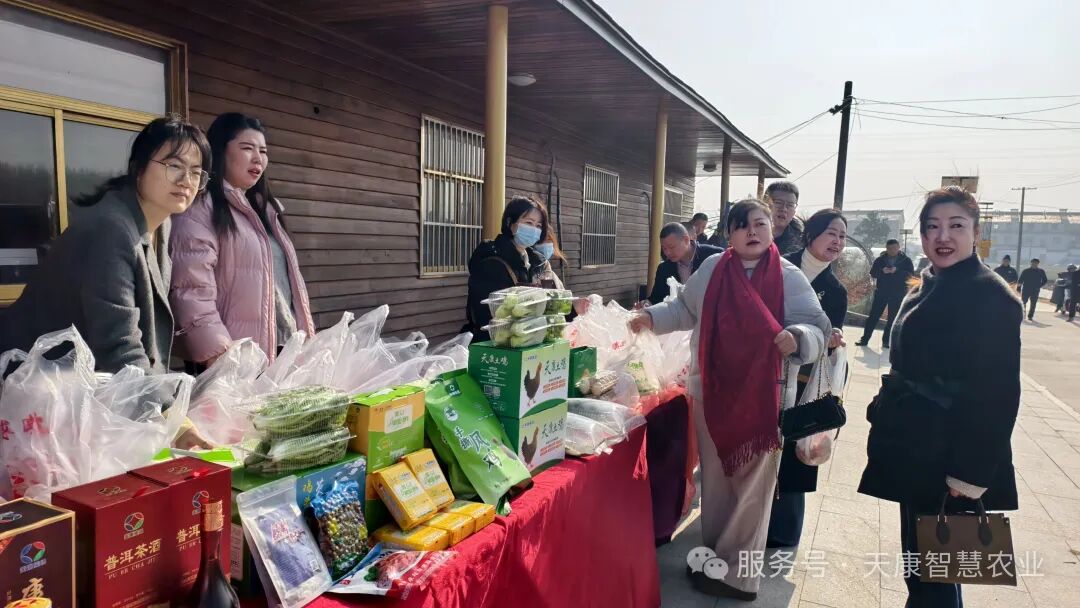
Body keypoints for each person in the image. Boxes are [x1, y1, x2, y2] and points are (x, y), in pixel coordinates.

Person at [629, 199, 830, 601]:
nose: (751, 231)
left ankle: (740, 578)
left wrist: (798, 337)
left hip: (764, 399)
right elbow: (683, 308)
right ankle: (717, 560)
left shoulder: (789, 276)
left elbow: (818, 327)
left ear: (770, 229)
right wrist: (651, 318)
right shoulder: (711, 269)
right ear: (728, 235)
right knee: (718, 481)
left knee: (753, 487)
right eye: (741, 225)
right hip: (713, 394)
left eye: (759, 224)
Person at [859, 187, 1021, 608]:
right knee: (924, 563)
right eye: (932, 227)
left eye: (956, 226)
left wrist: (969, 474)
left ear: (976, 233)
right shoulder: (930, 281)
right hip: (917, 445)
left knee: (936, 569)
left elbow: (998, 393)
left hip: (948, 454)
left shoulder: (988, 295)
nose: (942, 236)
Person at [0, 116, 209, 375]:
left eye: (196, 172)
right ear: (138, 167)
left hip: (79, 381)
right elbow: (119, 346)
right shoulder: (110, 230)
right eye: (174, 165)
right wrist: (160, 398)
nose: (186, 180)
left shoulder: (161, 224)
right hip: (33, 378)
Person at [170, 113, 314, 368]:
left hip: (282, 350)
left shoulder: (267, 210)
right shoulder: (200, 209)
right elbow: (191, 291)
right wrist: (220, 358)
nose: (258, 158)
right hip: (233, 361)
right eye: (247, 148)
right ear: (220, 152)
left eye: (263, 151)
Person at [767, 209, 849, 549]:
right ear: (811, 234)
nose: (838, 241)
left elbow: (829, 335)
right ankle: (751, 520)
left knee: (796, 450)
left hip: (804, 381)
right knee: (761, 451)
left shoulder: (836, 290)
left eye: (842, 236)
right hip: (765, 372)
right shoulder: (779, 267)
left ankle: (784, 531)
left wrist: (831, 339)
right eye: (832, 233)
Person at [464, 196, 549, 342]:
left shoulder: (536, 262)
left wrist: (573, 308)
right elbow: (488, 314)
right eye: (529, 223)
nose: (534, 230)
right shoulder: (491, 262)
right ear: (510, 223)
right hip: (496, 343)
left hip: (527, 339)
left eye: (538, 226)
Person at [855, 239, 914, 348]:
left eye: (894, 248)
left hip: (897, 293)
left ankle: (886, 341)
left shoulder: (906, 260)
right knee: (873, 316)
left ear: (899, 247)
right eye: (889, 248)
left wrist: (897, 271)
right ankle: (865, 339)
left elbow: (910, 275)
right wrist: (882, 271)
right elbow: (873, 273)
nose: (892, 251)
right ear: (886, 248)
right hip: (881, 292)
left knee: (892, 318)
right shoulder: (880, 260)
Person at [647, 222, 724, 304]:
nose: (667, 253)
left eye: (671, 247)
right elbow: (656, 299)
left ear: (686, 240)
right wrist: (647, 303)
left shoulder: (715, 256)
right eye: (664, 248)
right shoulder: (664, 268)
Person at [764, 181, 804, 255]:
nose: (784, 209)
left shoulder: (801, 242)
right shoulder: (749, 233)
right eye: (778, 203)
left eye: (790, 205)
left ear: (794, 210)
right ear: (764, 204)